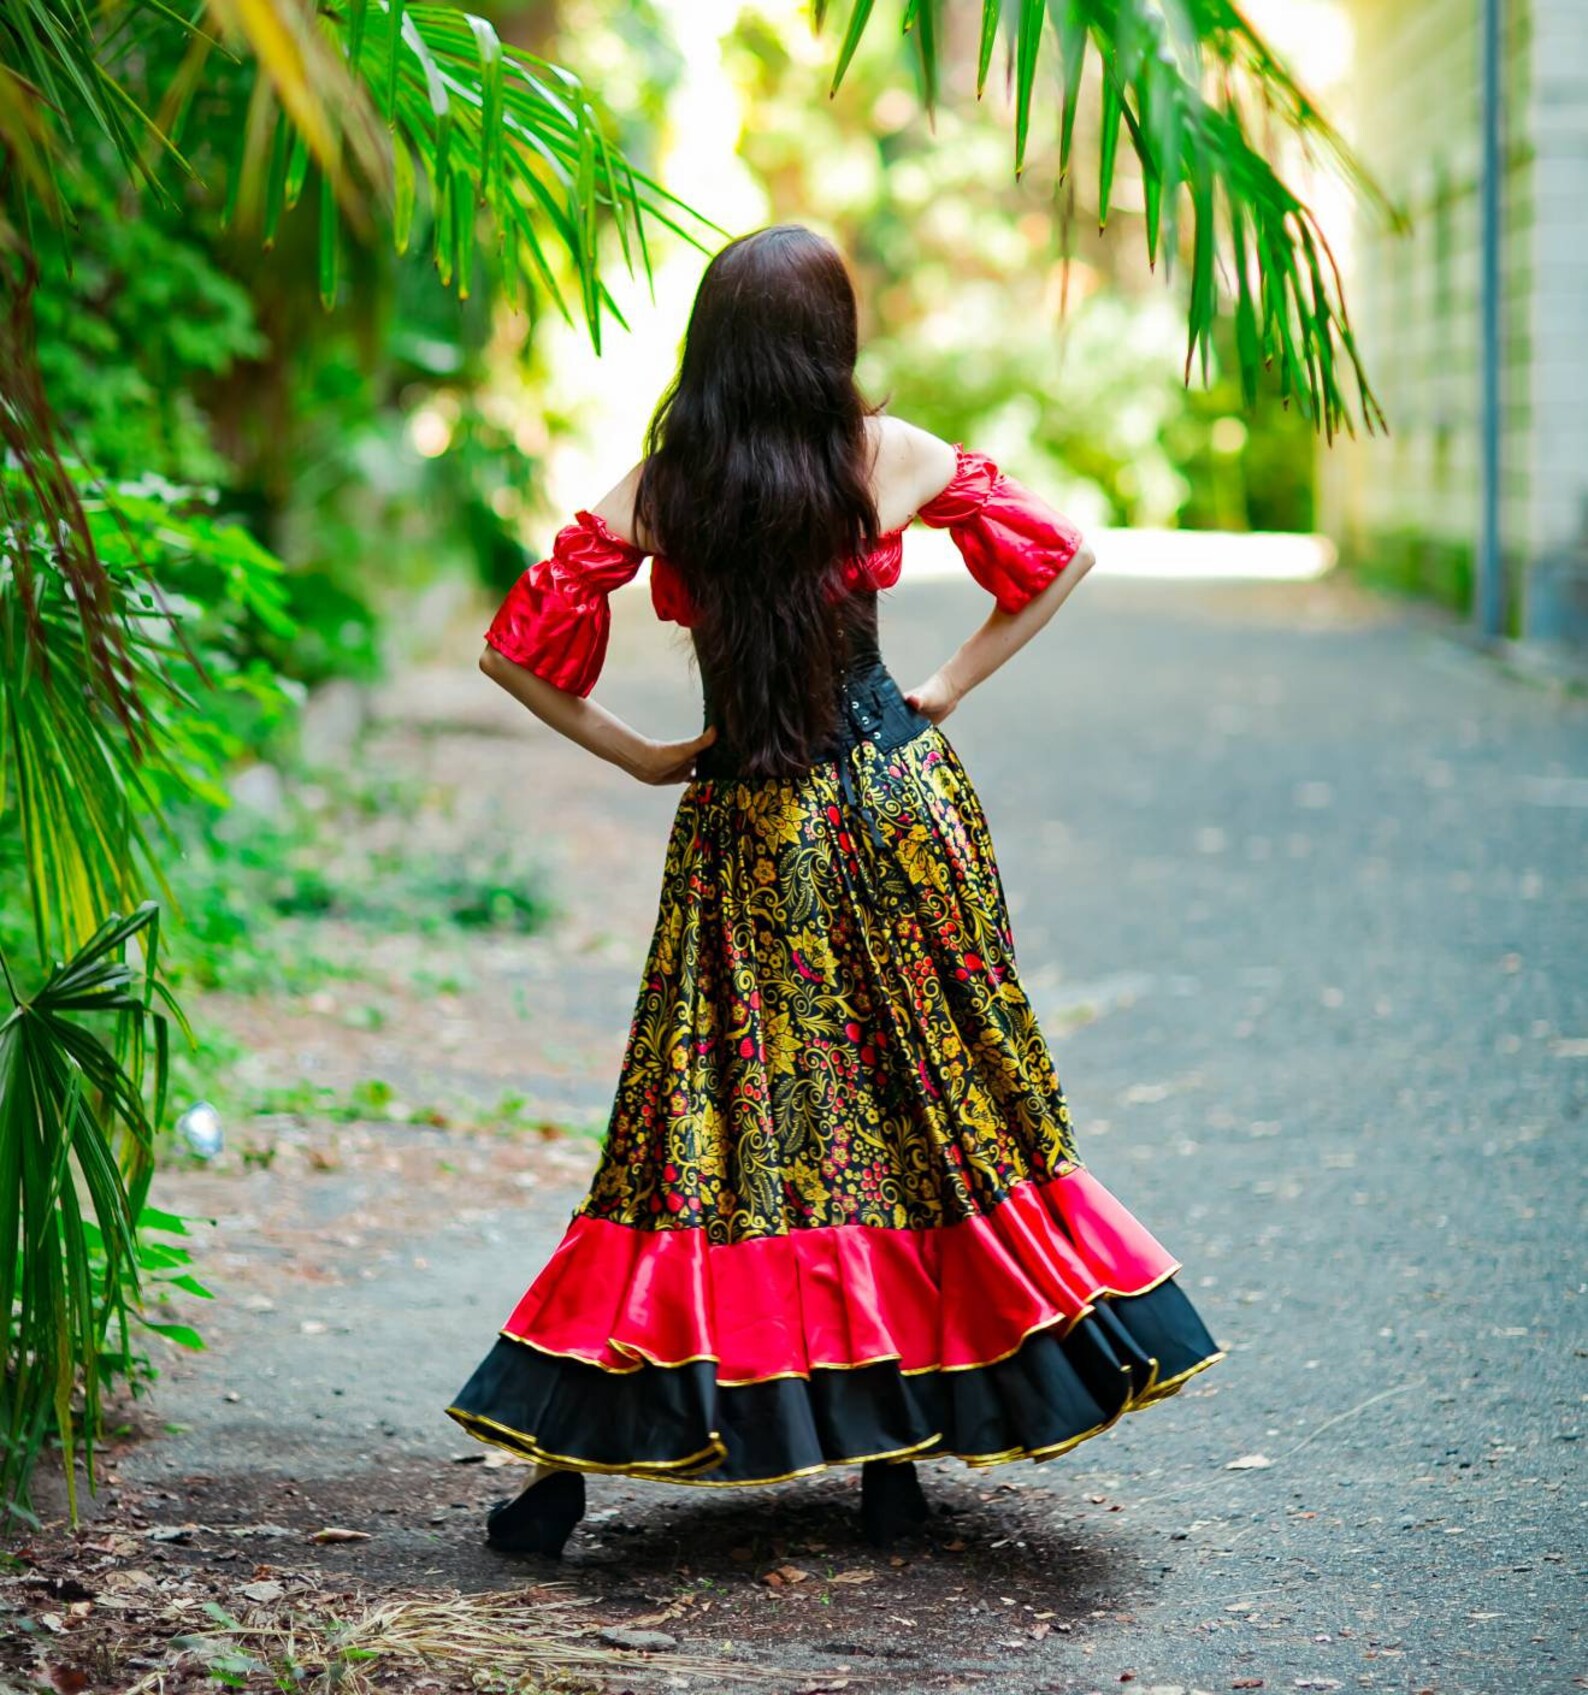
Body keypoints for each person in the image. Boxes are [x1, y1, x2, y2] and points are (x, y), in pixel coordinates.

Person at [447, 224, 1222, 1557]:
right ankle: (893, 1465)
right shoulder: (887, 454)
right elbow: (1059, 558)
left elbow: (518, 655)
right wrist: (947, 689)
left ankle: (566, 1469)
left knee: (700, 1137)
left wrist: (644, 758)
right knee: (934, 1113)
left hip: (745, 833)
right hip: (893, 812)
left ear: (716, 343)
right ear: (829, 341)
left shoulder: (670, 479)